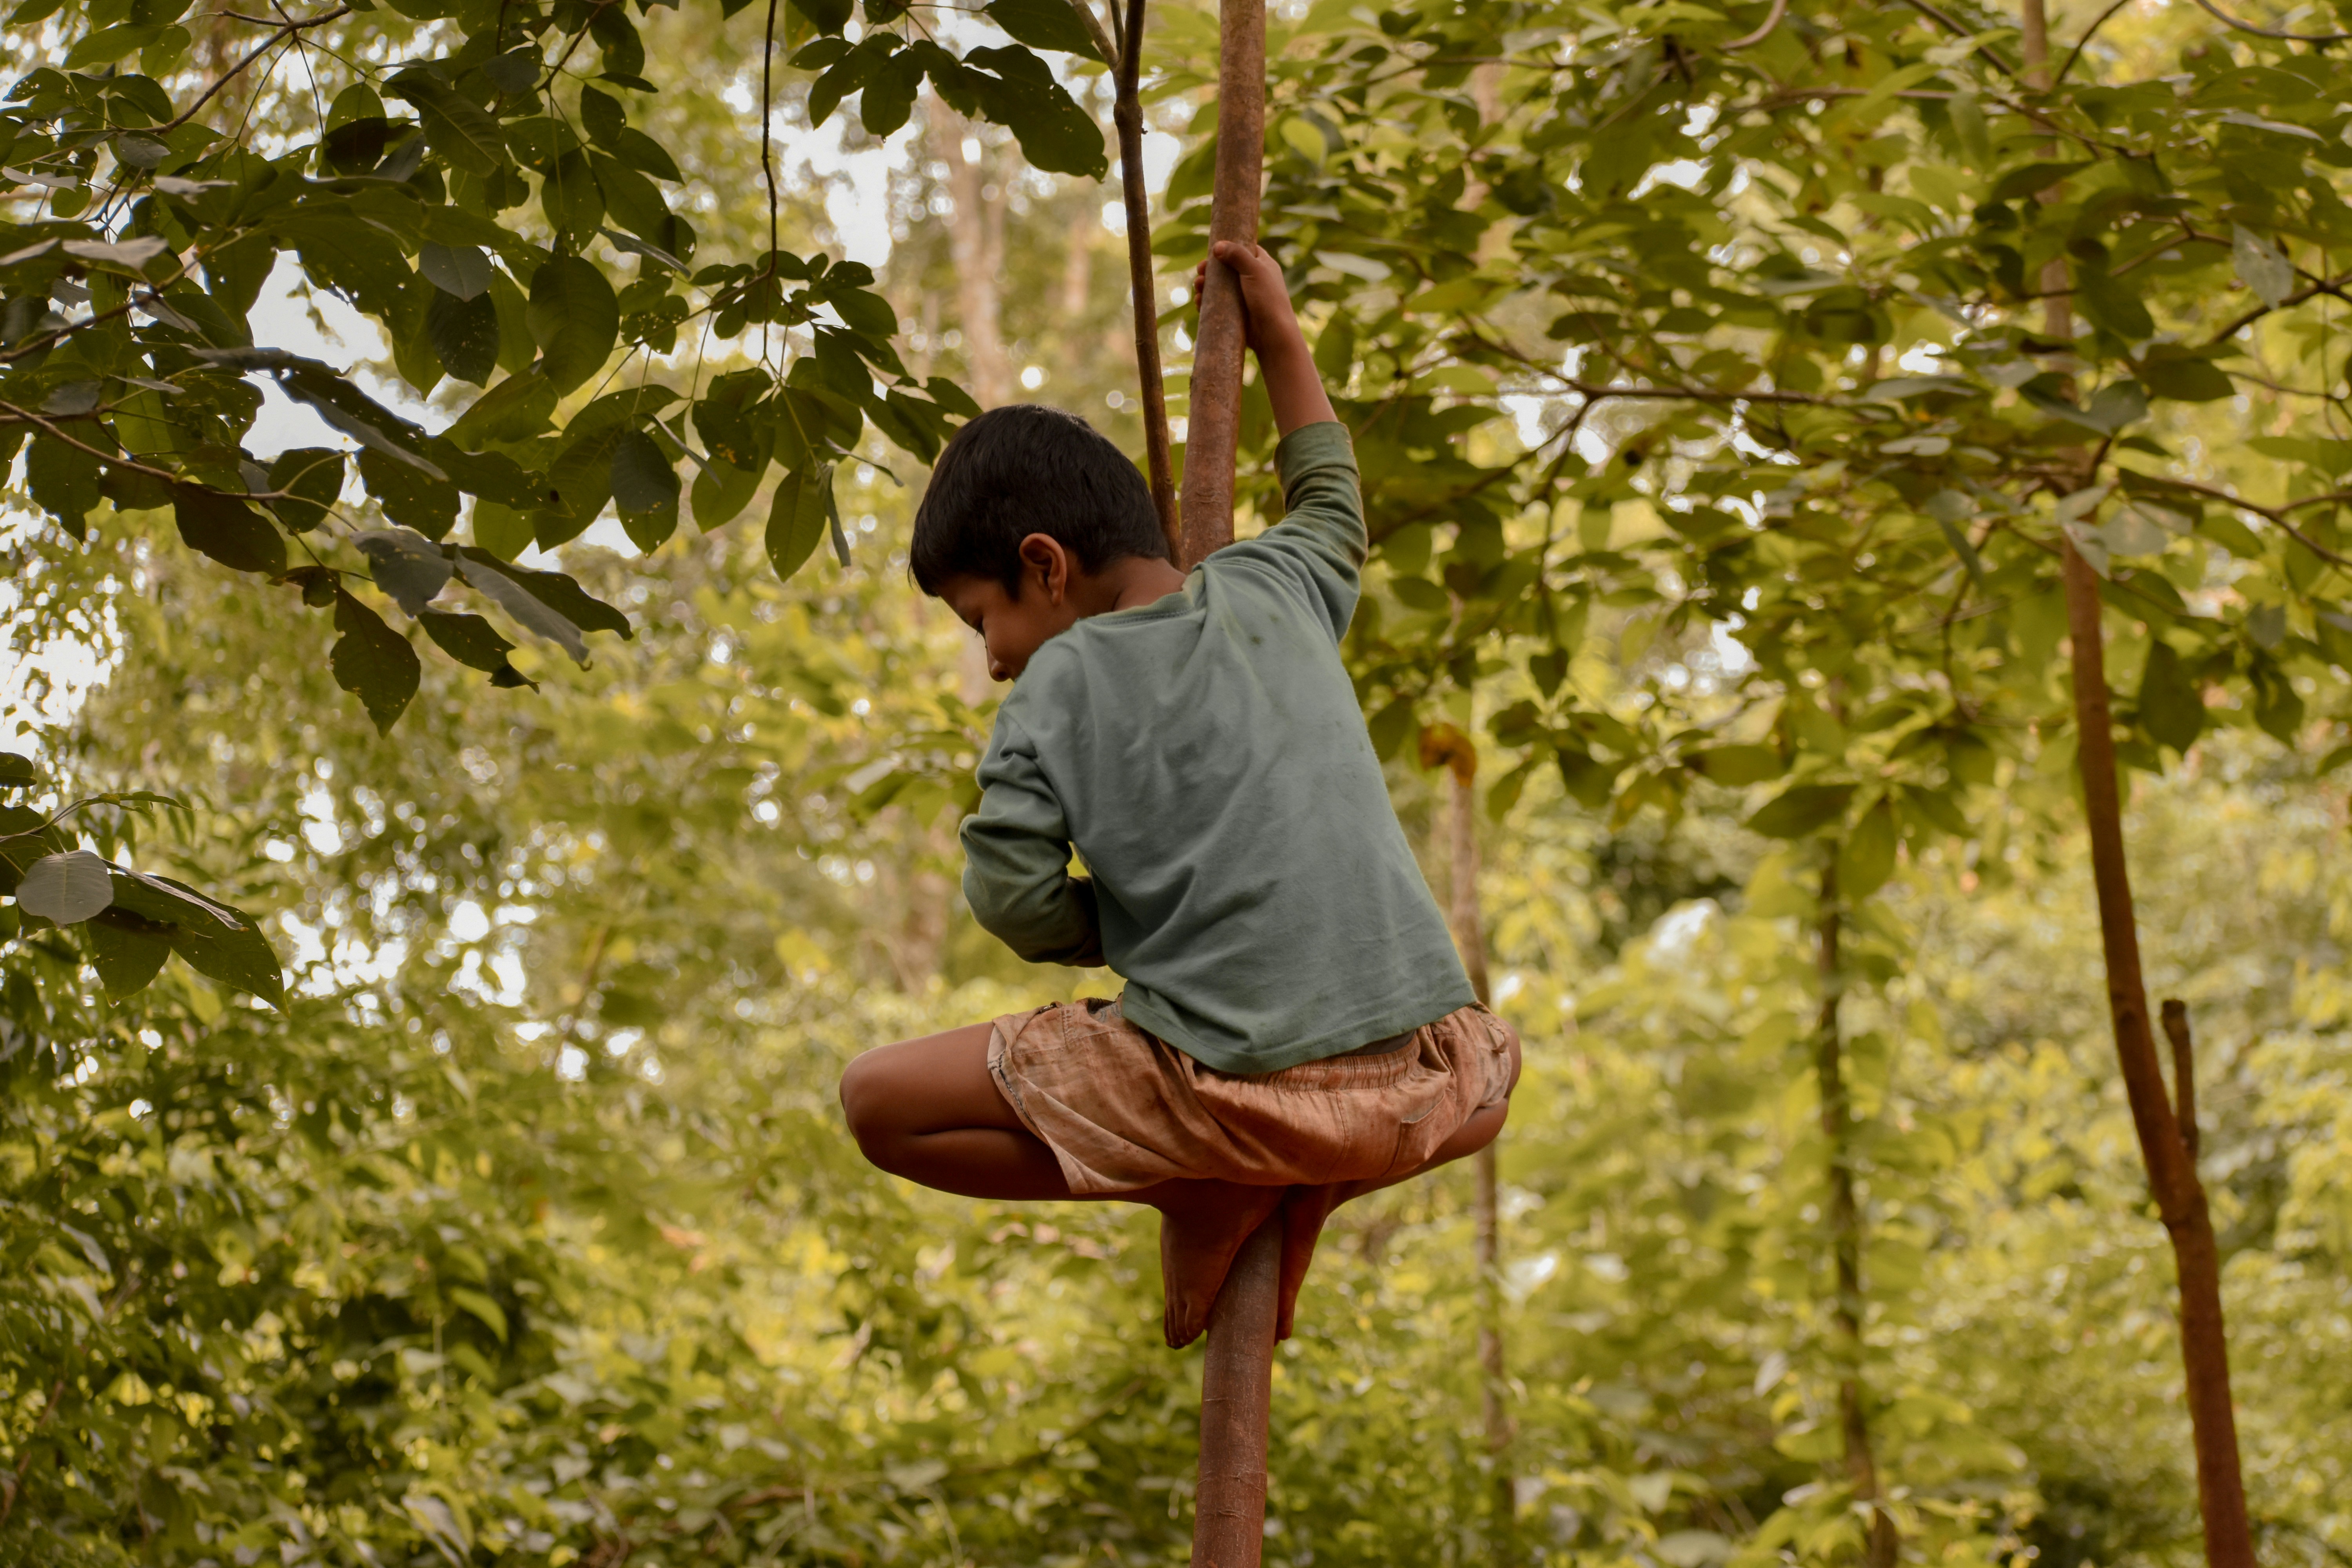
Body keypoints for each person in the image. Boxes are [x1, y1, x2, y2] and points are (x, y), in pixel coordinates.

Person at [837, 240, 1521, 1348]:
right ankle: (1306, 1182)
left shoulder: (1056, 684)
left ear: (1046, 565)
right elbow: (1329, 497)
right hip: (1421, 1095)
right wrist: (1279, 333)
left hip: (1216, 1095)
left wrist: (1131, 923)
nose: (997, 658)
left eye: (983, 621)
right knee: (1502, 1070)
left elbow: (1011, 896)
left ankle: (1192, 1185)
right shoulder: (1281, 586)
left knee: (878, 1104)